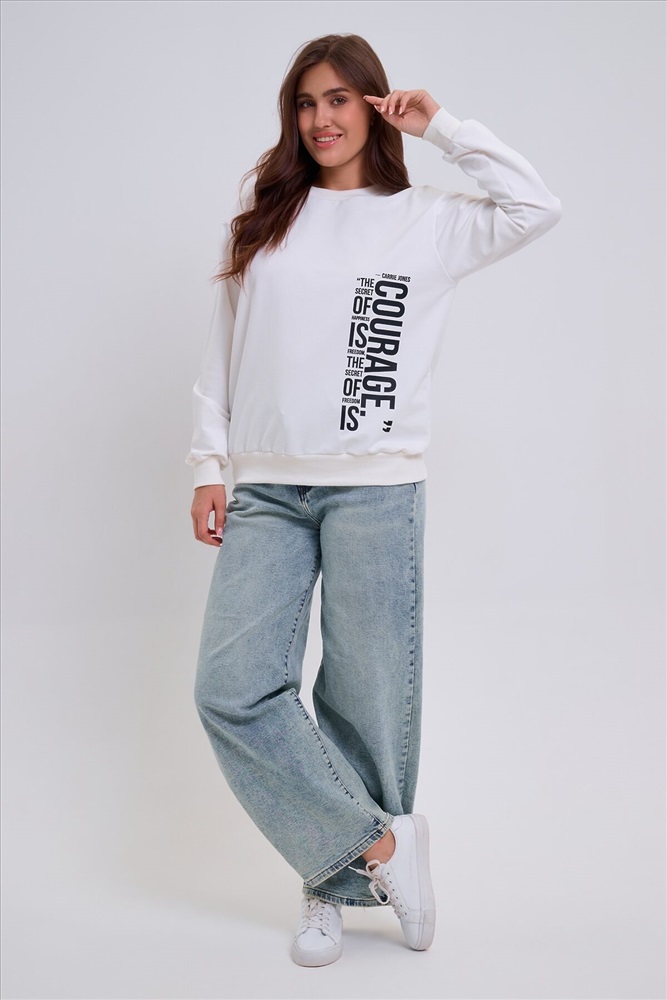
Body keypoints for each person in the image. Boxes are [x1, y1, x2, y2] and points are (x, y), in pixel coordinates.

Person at [187, 33, 561, 967]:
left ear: (374, 106)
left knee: (364, 701)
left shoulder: (424, 220)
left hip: (376, 489)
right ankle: (382, 850)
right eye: (306, 101)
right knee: (232, 690)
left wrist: (444, 129)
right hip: (267, 486)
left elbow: (535, 205)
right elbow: (220, 349)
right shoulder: (263, 221)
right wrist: (207, 463)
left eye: (340, 99)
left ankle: (332, 885)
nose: (321, 118)